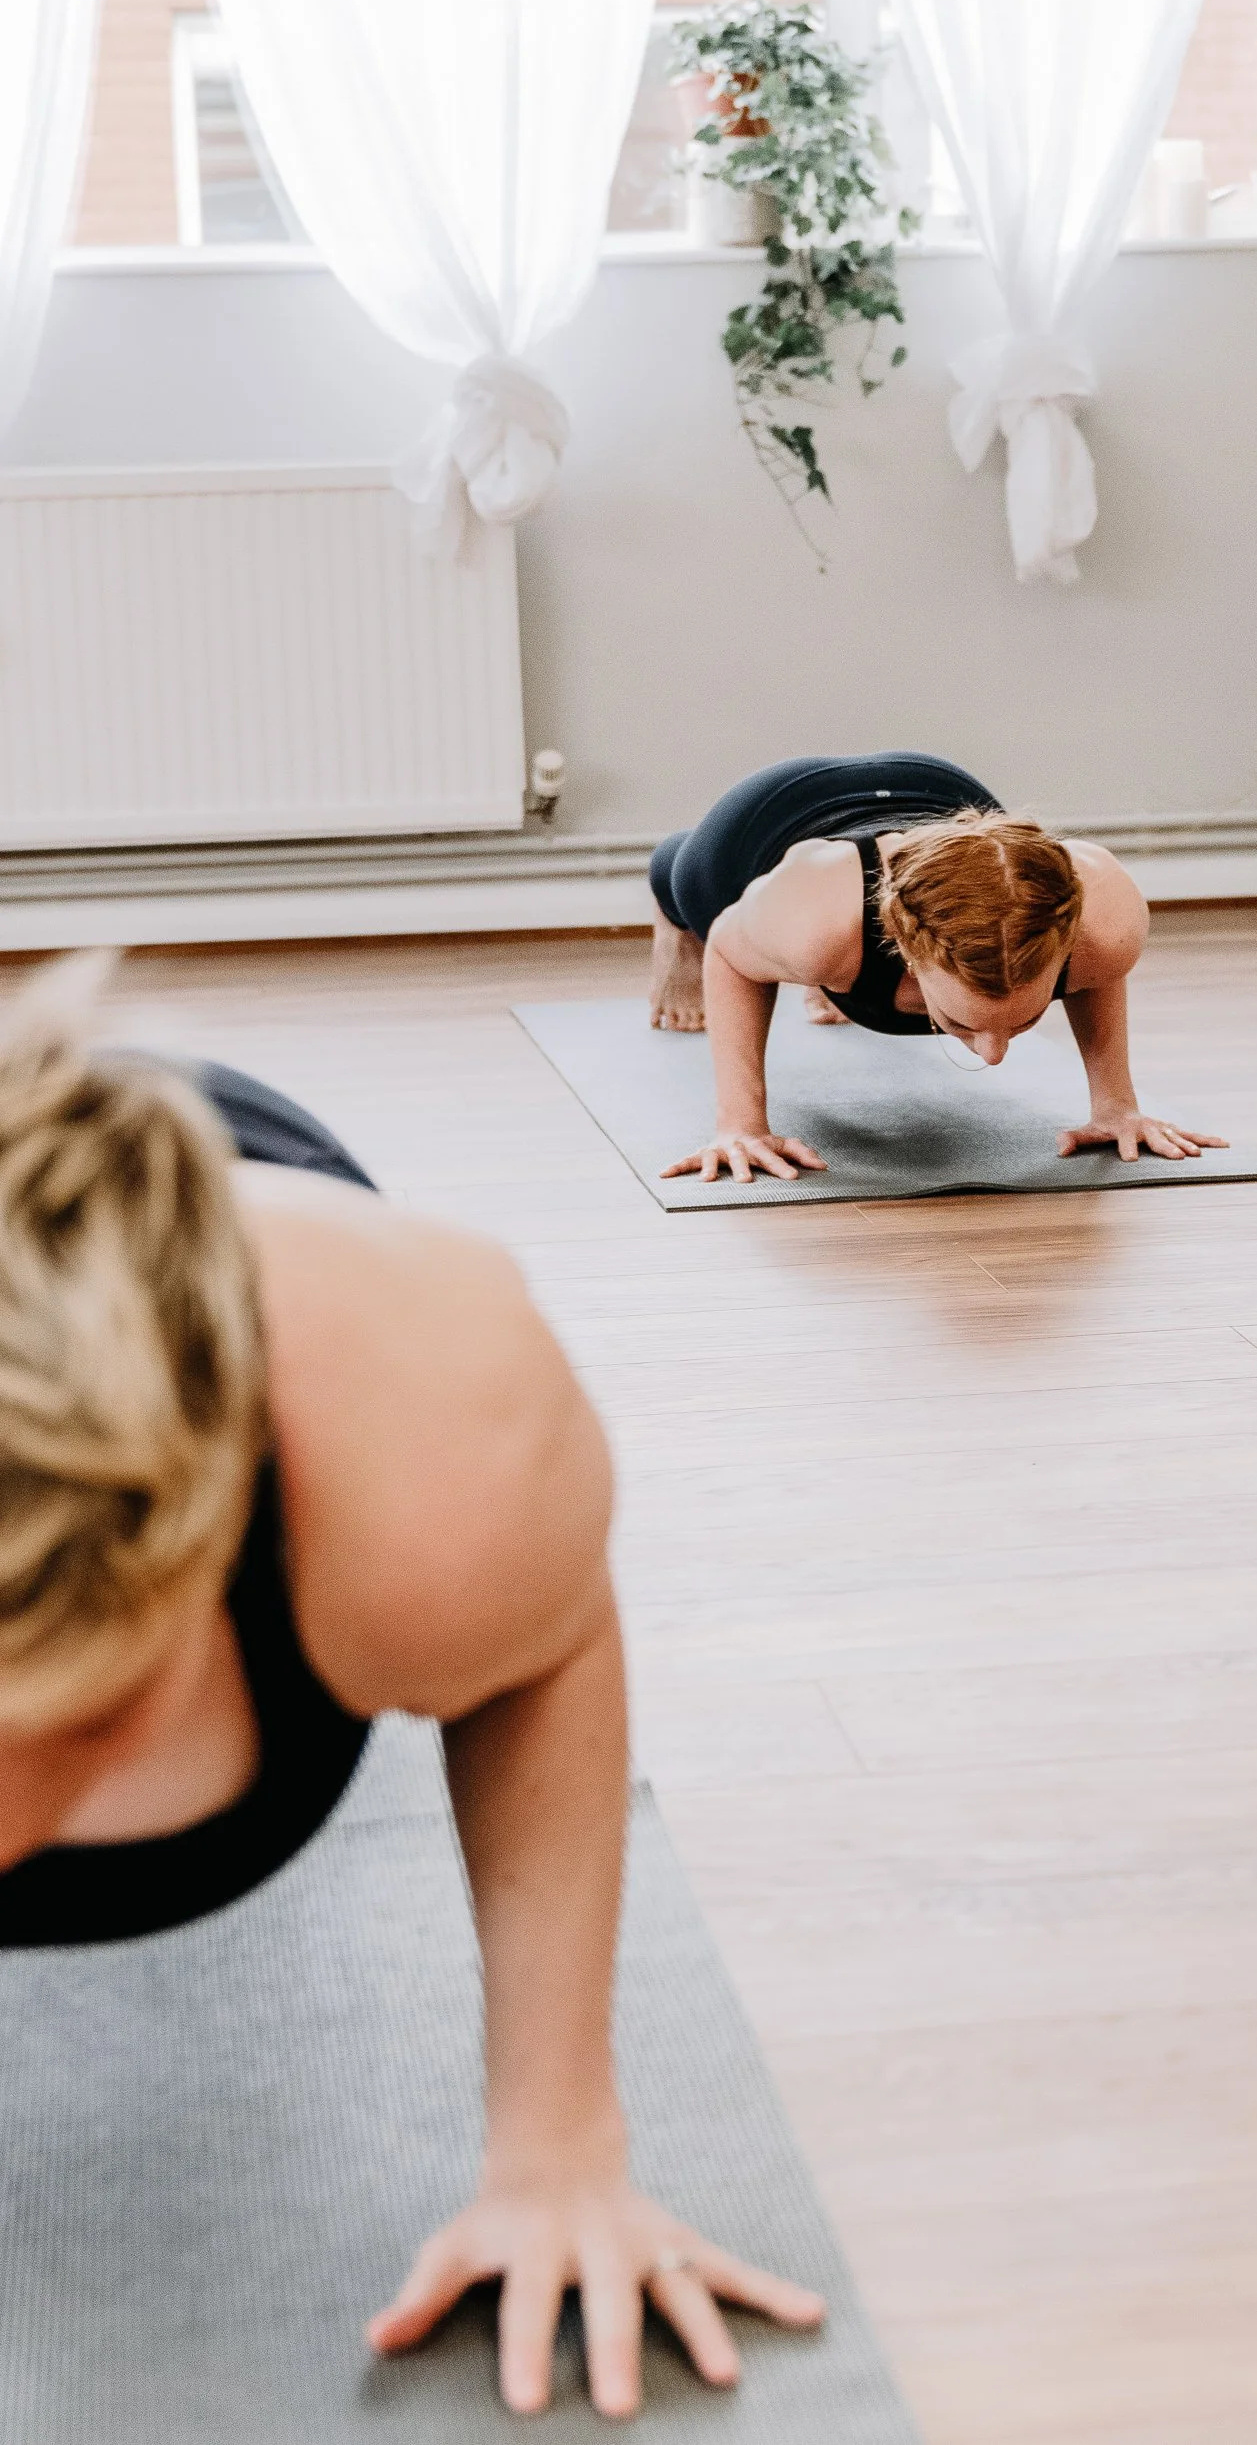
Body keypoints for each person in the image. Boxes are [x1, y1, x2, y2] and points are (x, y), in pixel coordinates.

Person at [0, 958, 822, 2421]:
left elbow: (545, 1647)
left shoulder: (412, 1402)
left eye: (80, 1721)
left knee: (448, 1584)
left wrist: (556, 2146)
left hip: (201, 1256)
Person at [647, 750, 1228, 1185]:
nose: (991, 1054)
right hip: (770, 817)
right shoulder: (818, 917)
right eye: (964, 1021)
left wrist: (1117, 1107)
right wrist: (741, 1126)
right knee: (698, 897)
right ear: (902, 945)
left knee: (825, 956)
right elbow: (728, 948)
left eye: (1022, 1023)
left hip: (941, 793)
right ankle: (674, 896)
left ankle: (835, 981)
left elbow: (1095, 974)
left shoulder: (1106, 916)